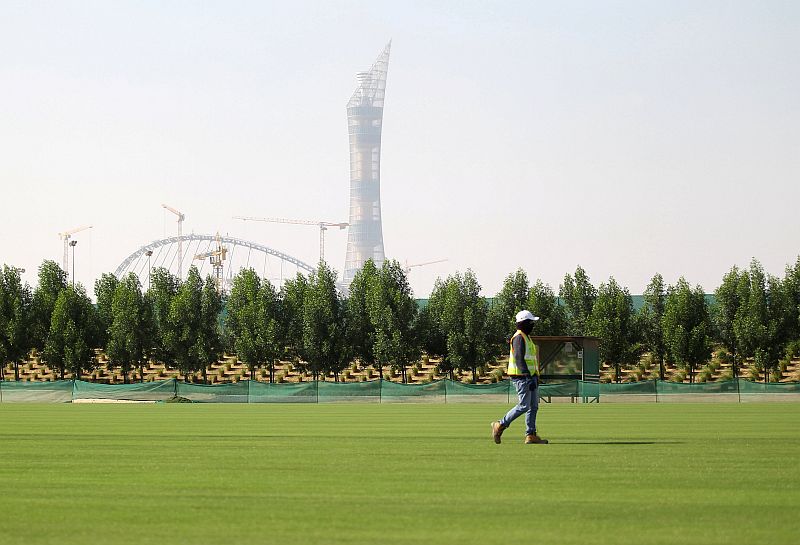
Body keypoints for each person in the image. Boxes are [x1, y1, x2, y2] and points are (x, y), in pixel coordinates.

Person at [491, 310, 548, 444]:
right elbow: (518, 358)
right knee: (524, 405)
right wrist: (528, 376)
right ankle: (500, 424)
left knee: (533, 406)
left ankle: (531, 435)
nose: (532, 325)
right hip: (521, 377)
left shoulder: (526, 337)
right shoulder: (518, 337)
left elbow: (530, 360)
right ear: (524, 323)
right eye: (531, 322)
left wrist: (534, 377)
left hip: (530, 377)